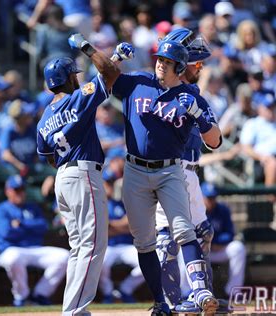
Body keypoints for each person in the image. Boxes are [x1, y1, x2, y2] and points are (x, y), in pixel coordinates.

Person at [111, 31, 222, 314]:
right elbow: (110, 80)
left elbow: (214, 139)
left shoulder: (190, 96)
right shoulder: (151, 86)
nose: (200, 68)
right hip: (168, 169)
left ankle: (200, 295)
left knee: (200, 233)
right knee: (167, 238)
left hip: (186, 169)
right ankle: (175, 301)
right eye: (197, 63)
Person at [36, 33, 133, 315]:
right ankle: (74, 311)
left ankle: (74, 308)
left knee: (79, 247)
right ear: (68, 78)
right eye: (73, 75)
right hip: (82, 173)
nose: (77, 78)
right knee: (92, 245)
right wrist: (90, 48)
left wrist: (115, 56)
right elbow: (109, 73)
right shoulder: (77, 99)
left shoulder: (44, 118)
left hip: (62, 177)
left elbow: (48, 156)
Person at [0, 175, 69, 307]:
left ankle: (40, 294)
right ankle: (21, 296)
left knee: (65, 257)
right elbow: (5, 232)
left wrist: (21, 224)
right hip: (10, 249)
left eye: (22, 189)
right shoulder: (1, 209)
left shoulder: (32, 207)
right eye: (16, 190)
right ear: (7, 191)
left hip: (34, 249)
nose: (20, 193)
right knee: (14, 258)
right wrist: (29, 228)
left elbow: (42, 226)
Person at [99, 161, 144, 304]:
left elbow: (133, 225)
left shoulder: (124, 201)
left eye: (112, 182)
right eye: (107, 183)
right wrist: (122, 226)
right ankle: (108, 293)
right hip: (107, 247)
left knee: (149, 261)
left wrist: (112, 226)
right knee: (98, 263)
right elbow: (101, 230)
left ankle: (125, 289)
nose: (110, 186)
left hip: (127, 246)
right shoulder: (97, 202)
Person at [200, 183, 246, 298]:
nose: (211, 200)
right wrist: (209, 242)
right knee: (183, 251)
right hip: (202, 250)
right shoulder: (196, 211)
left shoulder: (223, 210)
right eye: (208, 198)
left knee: (238, 248)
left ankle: (233, 291)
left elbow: (230, 234)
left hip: (219, 249)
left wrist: (216, 242)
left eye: (213, 197)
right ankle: (187, 292)